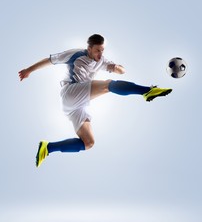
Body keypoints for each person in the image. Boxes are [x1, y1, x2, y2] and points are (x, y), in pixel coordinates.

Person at [18, 34, 172, 167]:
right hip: (70, 92)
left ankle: (48, 148)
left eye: (102, 50)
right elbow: (50, 60)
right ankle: (147, 91)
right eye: (97, 50)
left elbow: (120, 70)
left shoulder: (101, 60)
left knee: (88, 143)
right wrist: (29, 70)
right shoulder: (75, 54)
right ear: (89, 48)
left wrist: (118, 68)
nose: (100, 53)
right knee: (107, 85)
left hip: (76, 107)